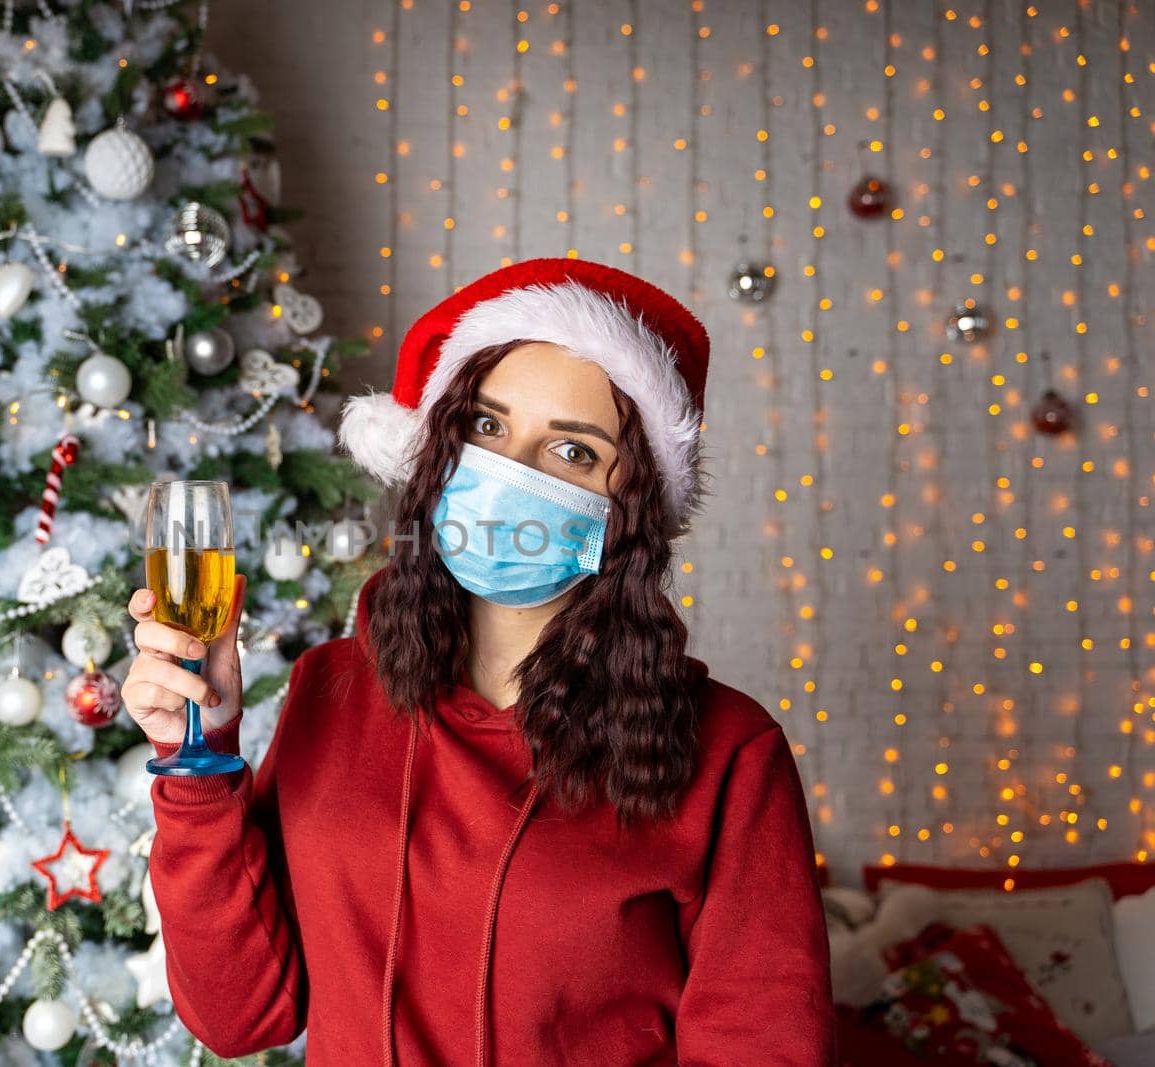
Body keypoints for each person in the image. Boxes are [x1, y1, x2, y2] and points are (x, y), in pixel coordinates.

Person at [122, 257, 837, 1066]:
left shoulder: (731, 755)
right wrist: (202, 753)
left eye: (572, 451)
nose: (510, 473)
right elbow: (240, 1017)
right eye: (488, 428)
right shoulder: (331, 688)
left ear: (630, 505)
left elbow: (764, 1043)